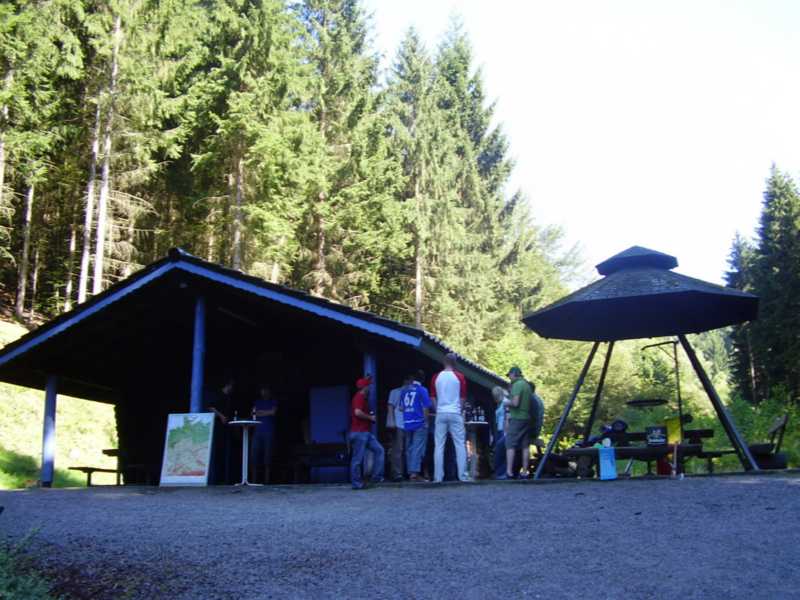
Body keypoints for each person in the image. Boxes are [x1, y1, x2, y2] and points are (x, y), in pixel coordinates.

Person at [430, 353, 470, 483]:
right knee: (460, 444)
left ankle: (438, 477)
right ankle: (463, 476)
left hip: (441, 412)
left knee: (439, 445)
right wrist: (459, 410)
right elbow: (463, 397)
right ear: (455, 363)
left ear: (444, 362)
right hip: (455, 412)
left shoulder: (436, 377)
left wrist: (437, 409)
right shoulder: (460, 377)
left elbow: (432, 396)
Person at [349, 376, 385, 490]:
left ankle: (376, 478)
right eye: (368, 385)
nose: (370, 387)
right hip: (359, 433)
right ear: (365, 387)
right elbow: (357, 412)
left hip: (365, 432)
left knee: (379, 450)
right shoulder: (359, 397)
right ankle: (356, 483)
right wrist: (370, 417)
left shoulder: (363, 398)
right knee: (357, 459)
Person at [501, 366, 534, 480]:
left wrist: (505, 402)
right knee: (525, 446)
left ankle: (509, 472)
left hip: (517, 418)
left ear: (514, 374)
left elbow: (515, 403)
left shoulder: (517, 385)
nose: (509, 378)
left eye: (509, 375)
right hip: (527, 418)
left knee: (510, 444)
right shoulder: (527, 385)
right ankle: (524, 472)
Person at [202, 374, 235, 484]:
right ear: (227, 385)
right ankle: (217, 479)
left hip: (227, 428)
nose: (232, 388)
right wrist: (221, 416)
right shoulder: (218, 395)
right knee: (218, 453)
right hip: (218, 428)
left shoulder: (228, 398)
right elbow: (210, 407)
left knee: (225, 453)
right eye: (231, 386)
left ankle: (225, 479)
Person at [400, 371, 432, 482]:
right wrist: (426, 421)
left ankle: (410, 473)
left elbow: (401, 408)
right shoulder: (422, 390)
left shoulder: (404, 390)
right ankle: (414, 473)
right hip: (419, 422)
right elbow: (426, 407)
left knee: (409, 448)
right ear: (423, 379)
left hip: (407, 422)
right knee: (417, 448)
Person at [251, 383, 278, 484]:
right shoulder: (257, 402)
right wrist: (267, 412)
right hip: (257, 431)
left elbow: (273, 412)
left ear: (269, 391)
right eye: (262, 390)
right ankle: (254, 480)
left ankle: (267, 481)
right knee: (255, 454)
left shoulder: (273, 401)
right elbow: (253, 413)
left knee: (268, 455)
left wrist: (261, 412)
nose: (264, 392)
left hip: (269, 431)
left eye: (266, 390)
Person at [386, 379, 407, 482]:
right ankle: (397, 474)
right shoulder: (395, 392)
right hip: (398, 424)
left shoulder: (414, 392)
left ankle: (406, 473)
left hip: (409, 424)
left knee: (407, 450)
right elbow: (390, 407)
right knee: (398, 450)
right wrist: (391, 422)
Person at [491, 386, 508, 479]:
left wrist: (506, 431)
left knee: (501, 450)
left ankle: (502, 472)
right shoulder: (499, 404)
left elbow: (506, 417)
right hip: (499, 429)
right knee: (498, 450)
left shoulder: (505, 402)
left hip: (504, 430)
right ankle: (499, 472)